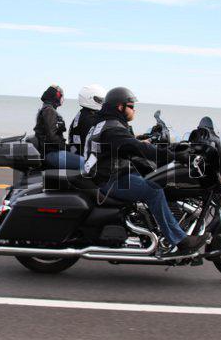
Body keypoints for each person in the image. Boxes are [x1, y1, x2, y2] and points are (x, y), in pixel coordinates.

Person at [84, 87, 209, 254]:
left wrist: (171, 148)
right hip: (110, 180)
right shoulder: (113, 129)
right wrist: (174, 156)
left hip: (108, 173)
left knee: (155, 177)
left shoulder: (105, 124)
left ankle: (153, 223)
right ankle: (180, 240)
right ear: (120, 107)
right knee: (154, 190)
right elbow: (137, 148)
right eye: (131, 106)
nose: (134, 110)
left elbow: (129, 145)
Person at [33, 84, 84, 169]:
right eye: (61, 96)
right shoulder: (49, 111)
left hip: (48, 151)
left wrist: (68, 147)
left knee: (76, 151)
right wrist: (66, 147)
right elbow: (52, 137)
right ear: (56, 96)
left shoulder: (45, 109)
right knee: (85, 163)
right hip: (51, 153)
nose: (62, 99)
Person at [68, 84, 107, 155]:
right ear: (89, 99)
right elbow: (94, 142)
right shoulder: (89, 118)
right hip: (83, 157)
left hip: (76, 153)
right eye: (100, 100)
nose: (102, 103)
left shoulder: (82, 113)